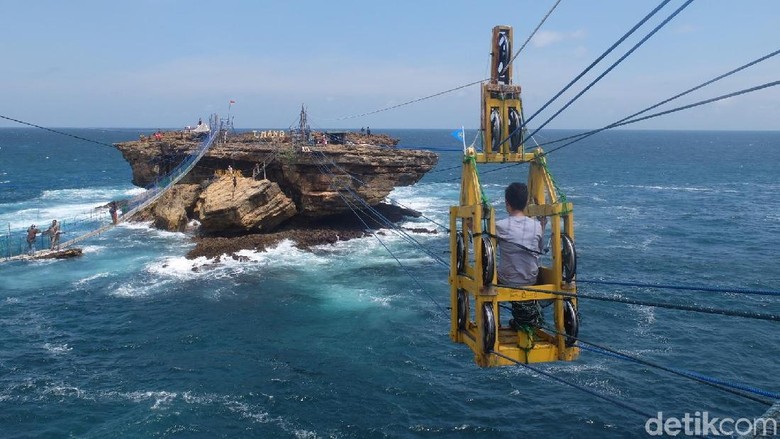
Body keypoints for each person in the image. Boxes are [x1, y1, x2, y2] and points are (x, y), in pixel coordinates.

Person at [495, 182, 546, 328]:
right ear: (526, 202)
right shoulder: (537, 225)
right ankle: (524, 320)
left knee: (487, 280)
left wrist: (472, 228)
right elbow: (539, 248)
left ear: (507, 203)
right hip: (531, 279)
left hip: (508, 280)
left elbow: (485, 249)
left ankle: (495, 323)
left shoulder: (500, 226)